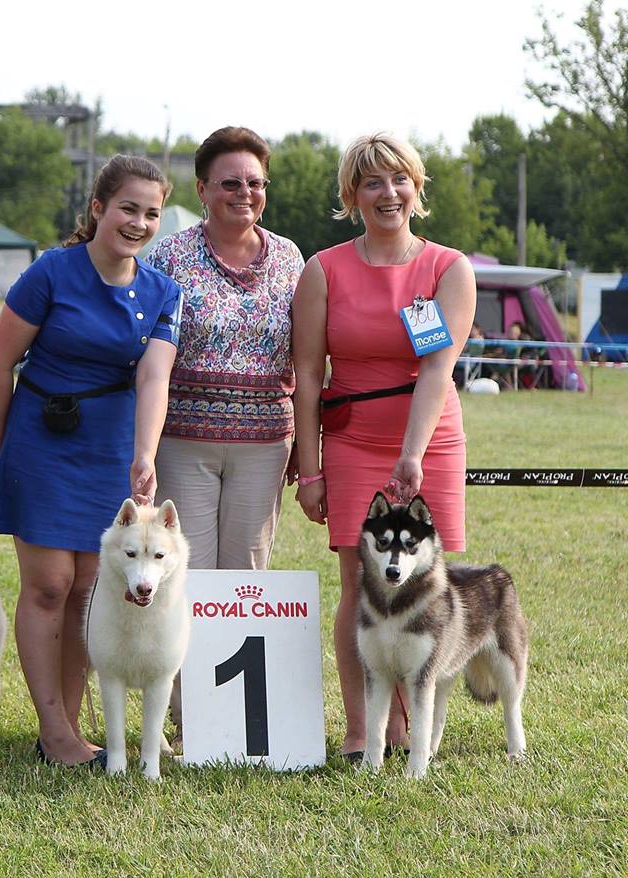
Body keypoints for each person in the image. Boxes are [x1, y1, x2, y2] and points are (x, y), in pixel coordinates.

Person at [0, 155, 182, 766]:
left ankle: (66, 726)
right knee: (50, 585)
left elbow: (154, 378)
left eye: (151, 213)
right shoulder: (50, 271)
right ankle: (55, 729)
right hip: (41, 441)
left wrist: (144, 454)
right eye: (128, 208)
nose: (138, 222)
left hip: (111, 450)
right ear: (98, 208)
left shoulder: (163, 292)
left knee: (89, 592)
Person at [291, 132, 476, 760]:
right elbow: (307, 374)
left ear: (417, 188)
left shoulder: (447, 269)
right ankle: (364, 730)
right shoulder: (323, 270)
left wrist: (412, 454)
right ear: (353, 196)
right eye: (371, 182)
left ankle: (415, 723)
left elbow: (437, 367)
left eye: (399, 179)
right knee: (359, 582)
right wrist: (309, 470)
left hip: (428, 438)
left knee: (421, 583)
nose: (388, 192)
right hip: (351, 440)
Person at [145, 126, 304, 571]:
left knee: (245, 575)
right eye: (230, 183)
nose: (245, 193)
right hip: (182, 441)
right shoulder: (168, 258)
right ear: (202, 189)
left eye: (255, 182)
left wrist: (307, 447)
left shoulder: (291, 259)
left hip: (265, 444)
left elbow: (307, 359)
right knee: (184, 570)